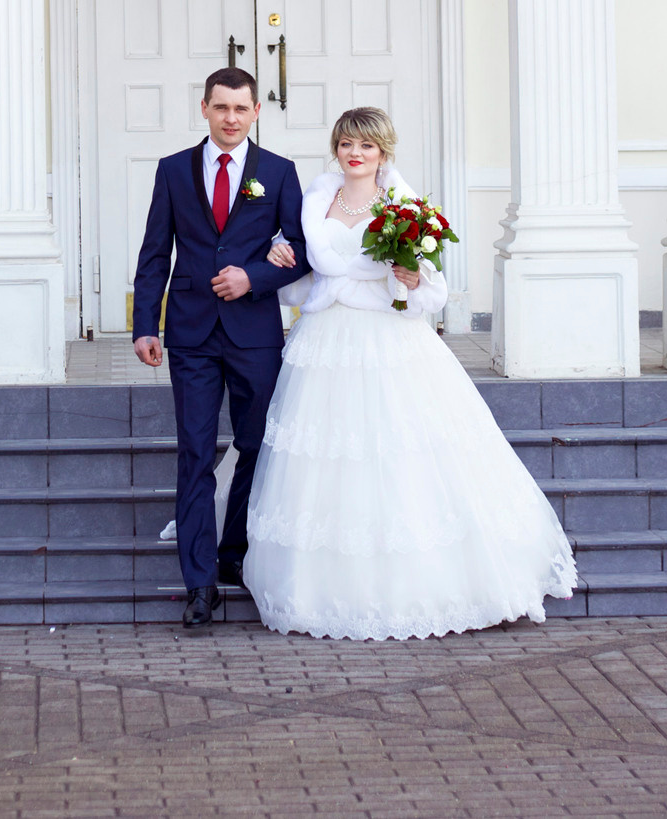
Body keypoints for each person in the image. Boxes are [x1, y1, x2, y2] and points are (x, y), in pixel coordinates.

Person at [241, 106, 577, 639]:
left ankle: (422, 586)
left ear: (383, 153)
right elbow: (306, 271)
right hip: (326, 338)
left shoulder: (401, 205)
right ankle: (326, 585)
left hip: (388, 340)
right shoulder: (315, 200)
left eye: (367, 147)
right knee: (329, 456)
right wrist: (281, 255)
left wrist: (409, 277)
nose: (355, 154)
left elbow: (433, 290)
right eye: (347, 144)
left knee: (395, 450)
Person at [130, 67, 314, 630]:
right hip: (189, 333)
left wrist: (254, 277)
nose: (230, 119)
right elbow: (155, 252)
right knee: (195, 451)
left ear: (257, 111)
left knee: (258, 447)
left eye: (241, 109)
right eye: (221, 108)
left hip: (254, 333)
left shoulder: (279, 174)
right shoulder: (173, 171)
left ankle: (235, 553)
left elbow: (303, 249)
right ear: (204, 109)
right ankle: (199, 583)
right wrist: (145, 325)